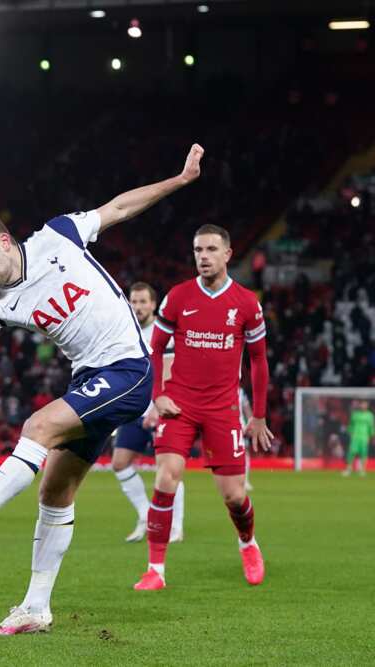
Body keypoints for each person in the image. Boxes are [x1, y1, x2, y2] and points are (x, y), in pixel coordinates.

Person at [0, 144, 205, 635]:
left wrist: (178, 181)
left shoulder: (59, 235)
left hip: (128, 370)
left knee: (37, 425)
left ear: (5, 241)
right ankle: (35, 608)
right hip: (89, 380)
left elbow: (118, 207)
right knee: (54, 490)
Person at [135, 224, 273, 591]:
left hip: (222, 408)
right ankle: (155, 570)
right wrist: (157, 394)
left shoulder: (245, 303)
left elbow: (259, 361)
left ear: (228, 254)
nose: (204, 257)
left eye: (211, 249)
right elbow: (154, 348)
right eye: (198, 250)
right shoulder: (178, 297)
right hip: (179, 404)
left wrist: (258, 415)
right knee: (166, 478)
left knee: (234, 494)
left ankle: (247, 543)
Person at [111, 282, 184, 544]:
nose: (138, 307)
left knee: (167, 468)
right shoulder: (125, 332)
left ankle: (175, 526)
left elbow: (168, 369)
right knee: (119, 463)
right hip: (133, 408)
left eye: (143, 302)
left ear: (153, 304)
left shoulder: (163, 332)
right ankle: (145, 515)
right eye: (134, 301)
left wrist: (156, 406)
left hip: (161, 408)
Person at [343, 399, 373, 477]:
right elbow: (351, 425)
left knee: (364, 454)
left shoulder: (370, 415)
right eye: (362, 404)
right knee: (352, 452)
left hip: (364, 437)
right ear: (360, 405)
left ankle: (362, 470)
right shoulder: (355, 414)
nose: (363, 406)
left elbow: (372, 427)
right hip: (355, 437)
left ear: (367, 405)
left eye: (365, 404)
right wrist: (350, 433)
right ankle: (348, 469)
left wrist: (372, 436)